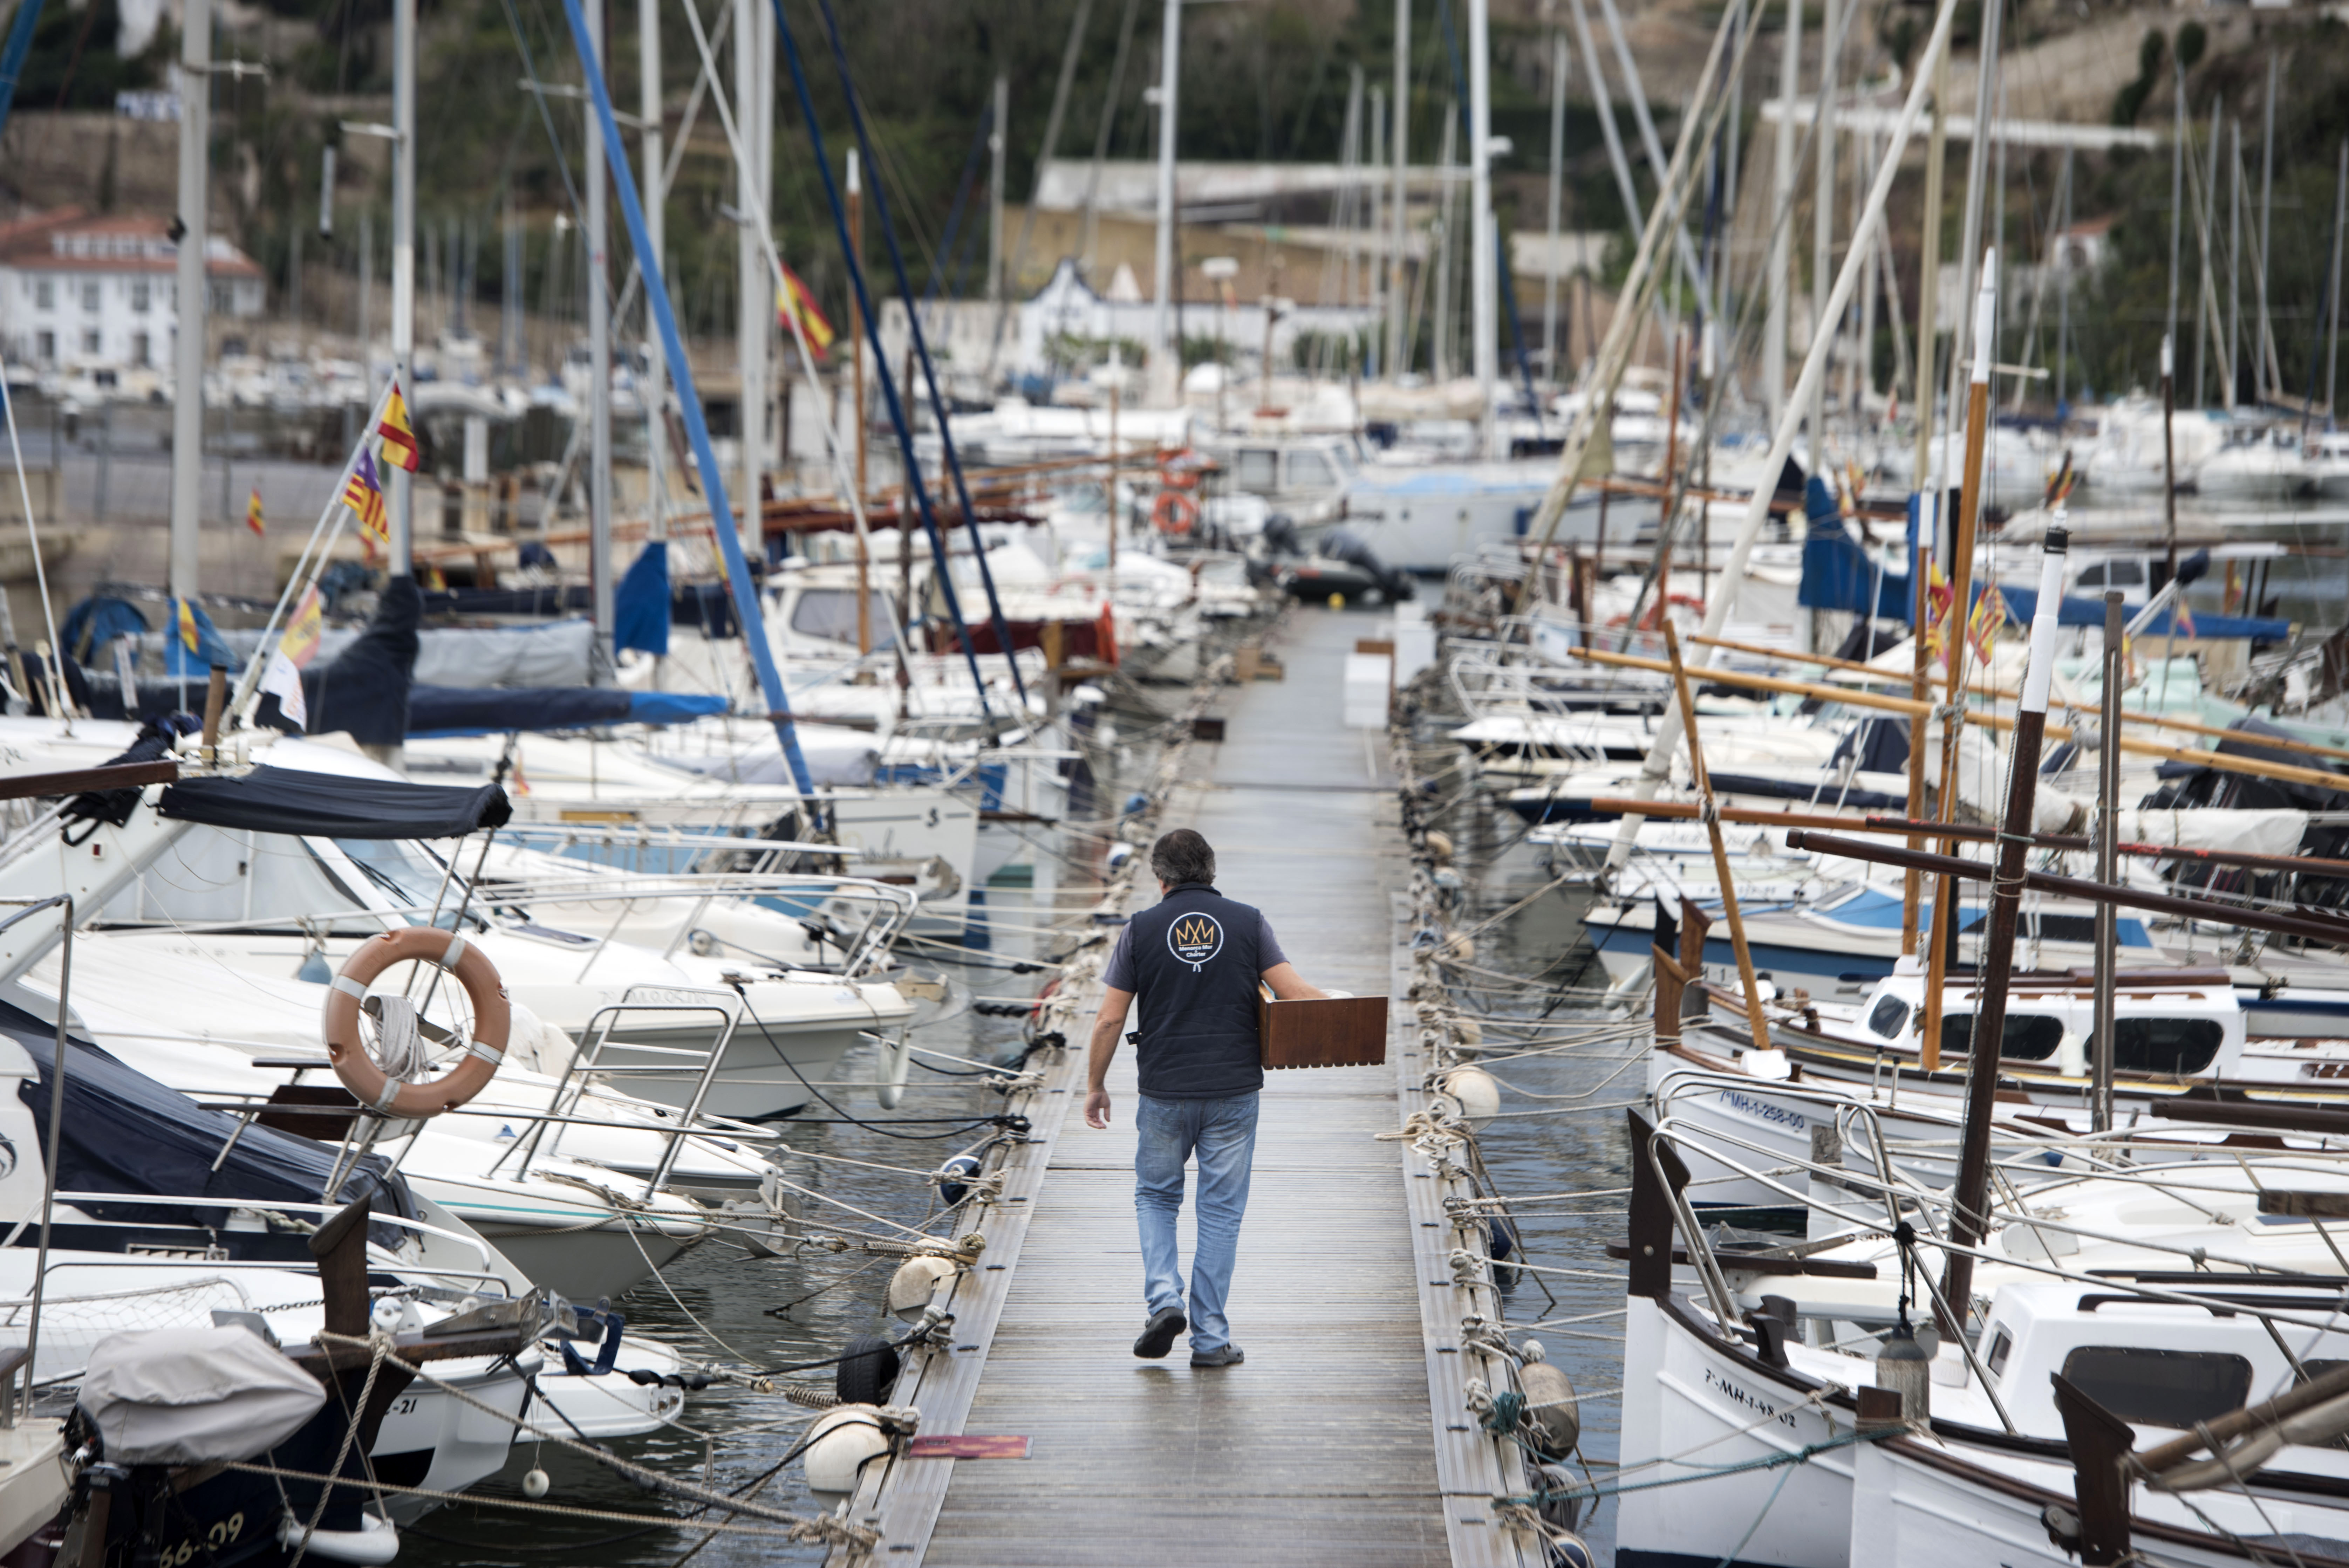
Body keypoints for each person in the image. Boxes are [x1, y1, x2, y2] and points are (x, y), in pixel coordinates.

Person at [1084, 828, 1325, 1368]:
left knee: (1156, 1198)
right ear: (1211, 871)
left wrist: (1096, 1085)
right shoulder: (1249, 922)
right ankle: (1211, 1341)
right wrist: (1348, 1004)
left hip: (1165, 1090)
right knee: (1219, 1213)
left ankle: (1164, 1300)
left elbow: (1109, 1018)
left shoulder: (1141, 930)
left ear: (1159, 877)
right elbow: (1294, 994)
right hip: (1233, 1091)